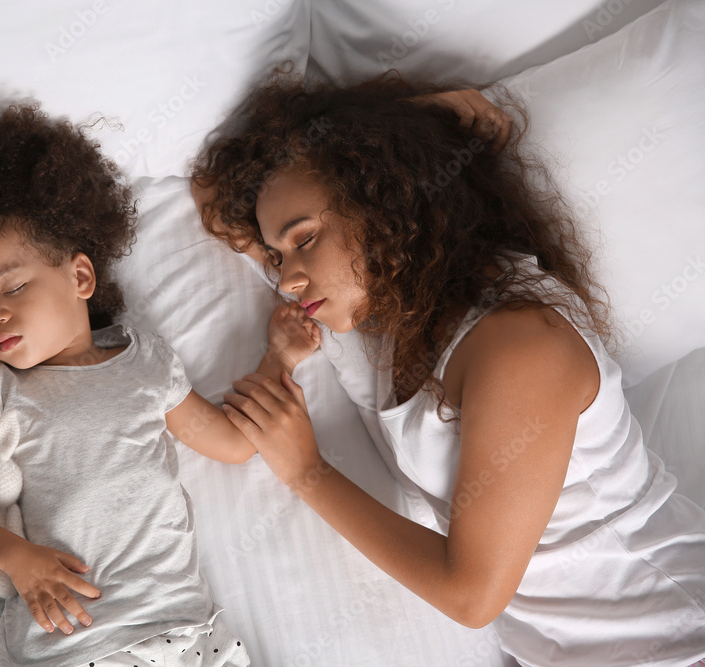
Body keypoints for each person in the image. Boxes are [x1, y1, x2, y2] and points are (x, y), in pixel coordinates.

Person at [190, 72, 705, 666]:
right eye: (277, 255)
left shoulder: (518, 345)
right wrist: (380, 133)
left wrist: (306, 471)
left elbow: (471, 596)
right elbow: (213, 195)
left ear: (388, 198)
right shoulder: (383, 324)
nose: (284, 277)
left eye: (304, 238)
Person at [0, 104, 257, 667]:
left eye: (12, 287)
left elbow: (234, 442)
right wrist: (15, 558)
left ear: (80, 276)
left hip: (185, 630)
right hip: (75, 643)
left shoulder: (145, 364)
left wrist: (282, 356)